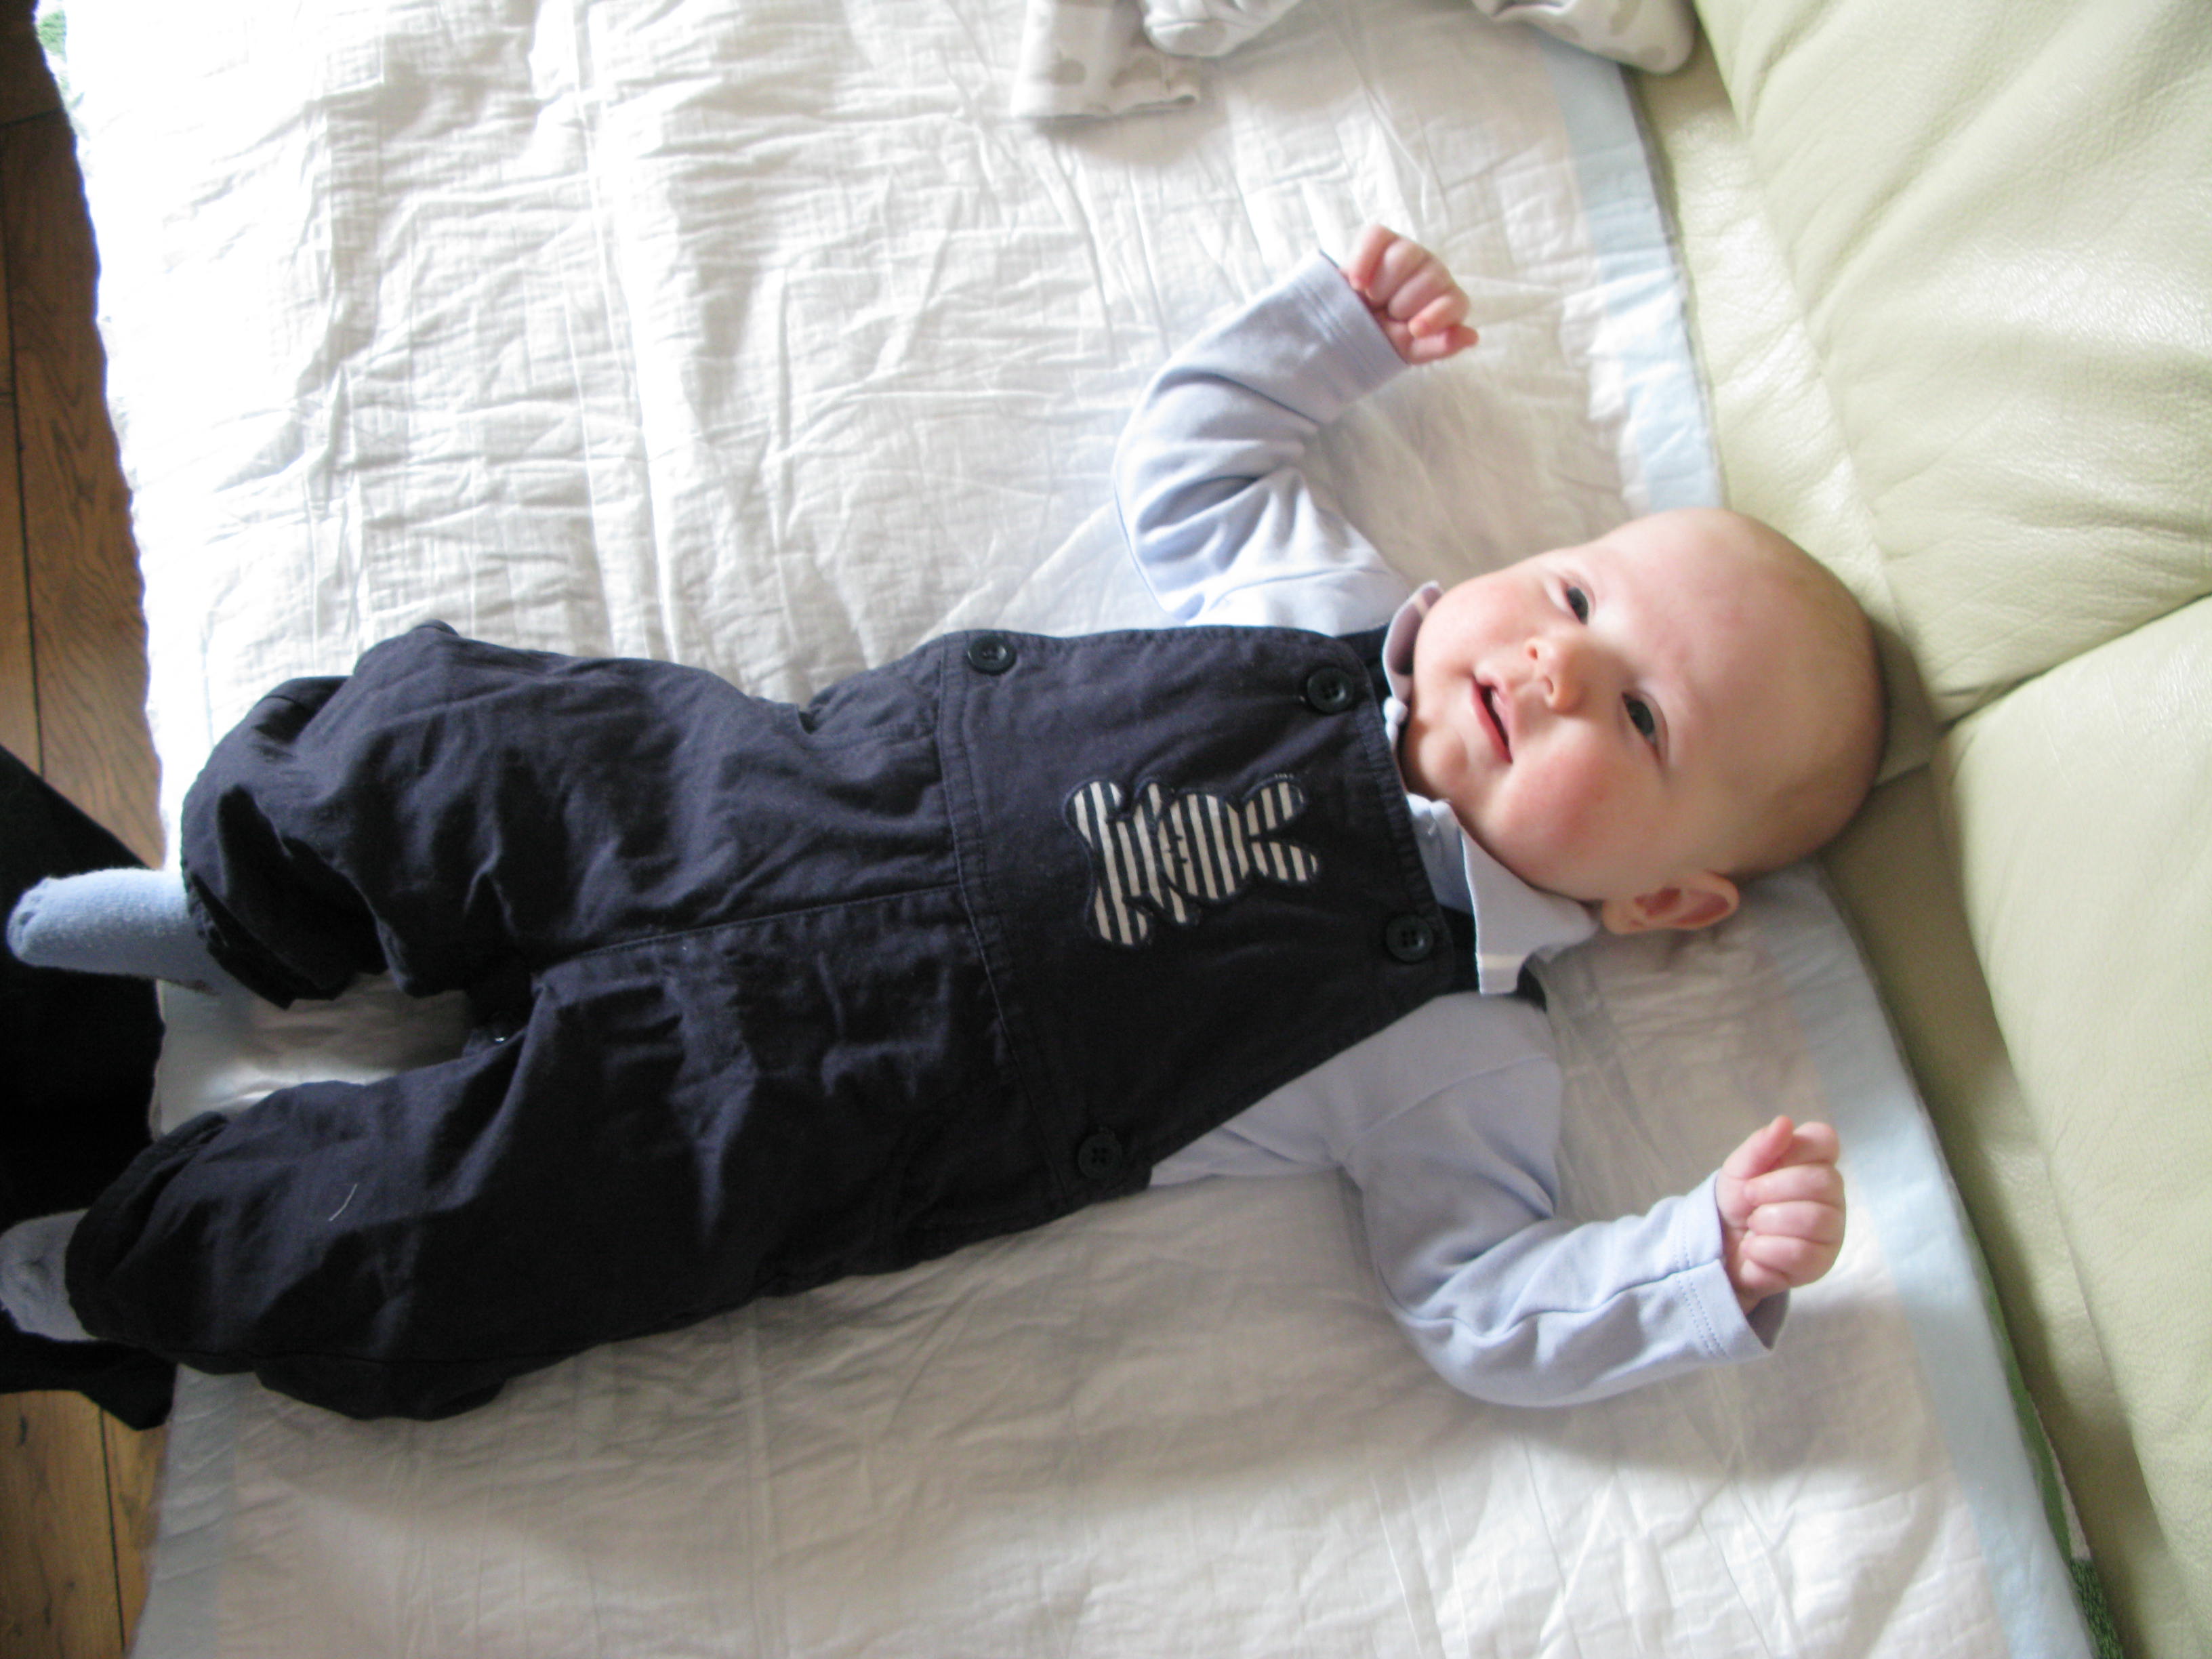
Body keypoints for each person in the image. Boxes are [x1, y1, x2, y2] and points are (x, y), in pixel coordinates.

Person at [3, 228, 1880, 1420]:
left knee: (452, 1235)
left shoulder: (1463, 1053)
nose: (1557, 664)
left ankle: (127, 1266)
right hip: (750, 804)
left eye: (1643, 717)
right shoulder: (1323, 604)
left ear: (1667, 900)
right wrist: (1330, 336)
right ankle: (255, 910)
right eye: (1576, 593)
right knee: (455, 744)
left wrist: (1685, 1268)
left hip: (803, 1103)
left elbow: (1477, 1305)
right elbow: (1194, 457)